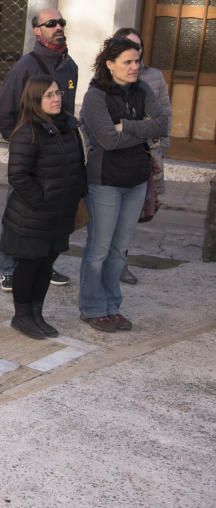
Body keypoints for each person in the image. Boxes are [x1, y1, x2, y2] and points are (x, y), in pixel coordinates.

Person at [79, 37, 168, 333]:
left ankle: (112, 306)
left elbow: (163, 123)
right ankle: (93, 308)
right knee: (99, 249)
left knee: (119, 250)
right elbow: (107, 139)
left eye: (137, 61)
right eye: (127, 62)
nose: (134, 67)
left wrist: (128, 126)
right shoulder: (96, 97)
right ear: (110, 64)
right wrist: (143, 130)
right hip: (105, 182)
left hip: (136, 181)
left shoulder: (142, 89)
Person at [0, 8, 78, 292]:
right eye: (51, 23)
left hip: (56, 157)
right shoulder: (25, 67)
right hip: (30, 156)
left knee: (51, 215)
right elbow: (3, 109)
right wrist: (20, 142)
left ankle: (45, 263)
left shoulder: (70, 66)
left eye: (61, 22)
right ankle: (8, 268)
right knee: (18, 213)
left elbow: (65, 113)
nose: (58, 26)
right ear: (37, 31)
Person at [1, 76, 85, 339]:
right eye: (48, 95)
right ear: (35, 100)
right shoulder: (28, 131)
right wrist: (41, 201)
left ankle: (37, 313)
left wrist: (77, 196)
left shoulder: (69, 127)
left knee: (46, 264)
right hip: (32, 215)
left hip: (60, 212)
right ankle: (22, 316)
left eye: (57, 93)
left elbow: (78, 165)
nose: (56, 98)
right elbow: (18, 176)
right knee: (29, 265)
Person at [111, 26, 172, 285]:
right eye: (127, 46)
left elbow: (165, 115)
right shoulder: (108, 77)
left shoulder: (154, 77)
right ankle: (114, 264)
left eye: (137, 46)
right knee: (113, 214)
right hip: (117, 155)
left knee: (136, 212)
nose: (133, 52)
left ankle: (119, 259)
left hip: (147, 155)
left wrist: (161, 147)